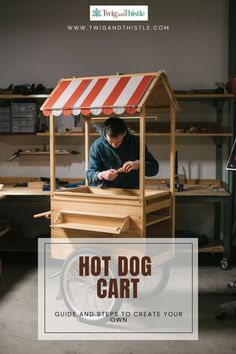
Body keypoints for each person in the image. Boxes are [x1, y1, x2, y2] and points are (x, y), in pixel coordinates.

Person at [86, 117, 159, 189]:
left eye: (118, 141)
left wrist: (140, 164)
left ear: (124, 133)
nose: (114, 145)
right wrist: (101, 175)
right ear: (105, 134)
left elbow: (154, 169)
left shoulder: (136, 143)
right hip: (109, 193)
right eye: (110, 142)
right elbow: (89, 174)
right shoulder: (97, 147)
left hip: (134, 193)